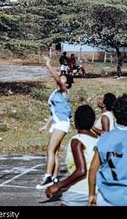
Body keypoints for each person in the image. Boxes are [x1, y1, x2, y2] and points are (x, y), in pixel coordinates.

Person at [45, 105, 98, 206]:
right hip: (97, 191)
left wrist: (58, 186)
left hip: (80, 191)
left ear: (76, 122)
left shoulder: (77, 140)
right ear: (93, 122)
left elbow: (81, 171)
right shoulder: (98, 140)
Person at [36, 56, 74, 190]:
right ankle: (55, 176)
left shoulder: (64, 91)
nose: (60, 78)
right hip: (56, 123)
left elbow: (57, 79)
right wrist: (45, 126)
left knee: (50, 150)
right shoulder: (56, 93)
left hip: (62, 124)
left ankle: (47, 177)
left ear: (67, 84)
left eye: (63, 79)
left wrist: (48, 65)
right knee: (55, 152)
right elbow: (53, 113)